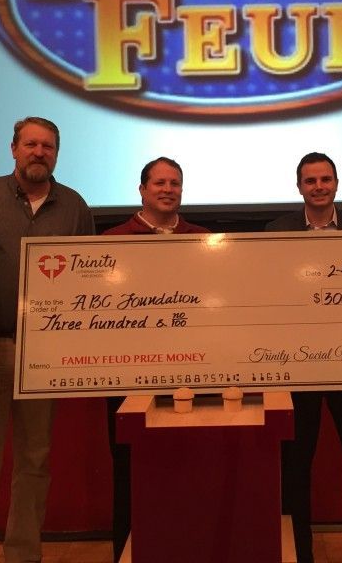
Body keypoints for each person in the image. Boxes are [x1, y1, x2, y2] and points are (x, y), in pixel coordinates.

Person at [0, 117, 94, 563]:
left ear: (57, 153)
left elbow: (90, 280)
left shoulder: (74, 206)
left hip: (46, 353)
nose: (39, 152)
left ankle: (23, 554)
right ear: (13, 148)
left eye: (48, 146)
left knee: (35, 460)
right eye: (30, 144)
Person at [265, 152, 342, 563]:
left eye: (326, 178)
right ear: (299, 187)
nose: (319, 186)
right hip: (298, 370)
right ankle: (298, 553)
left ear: (337, 183)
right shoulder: (275, 233)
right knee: (295, 469)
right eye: (311, 180)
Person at [102, 157, 209, 561]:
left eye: (175, 183)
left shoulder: (205, 240)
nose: (168, 189)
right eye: (160, 183)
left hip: (193, 376)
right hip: (126, 377)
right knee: (129, 469)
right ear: (142, 189)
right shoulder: (112, 241)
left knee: (190, 466)